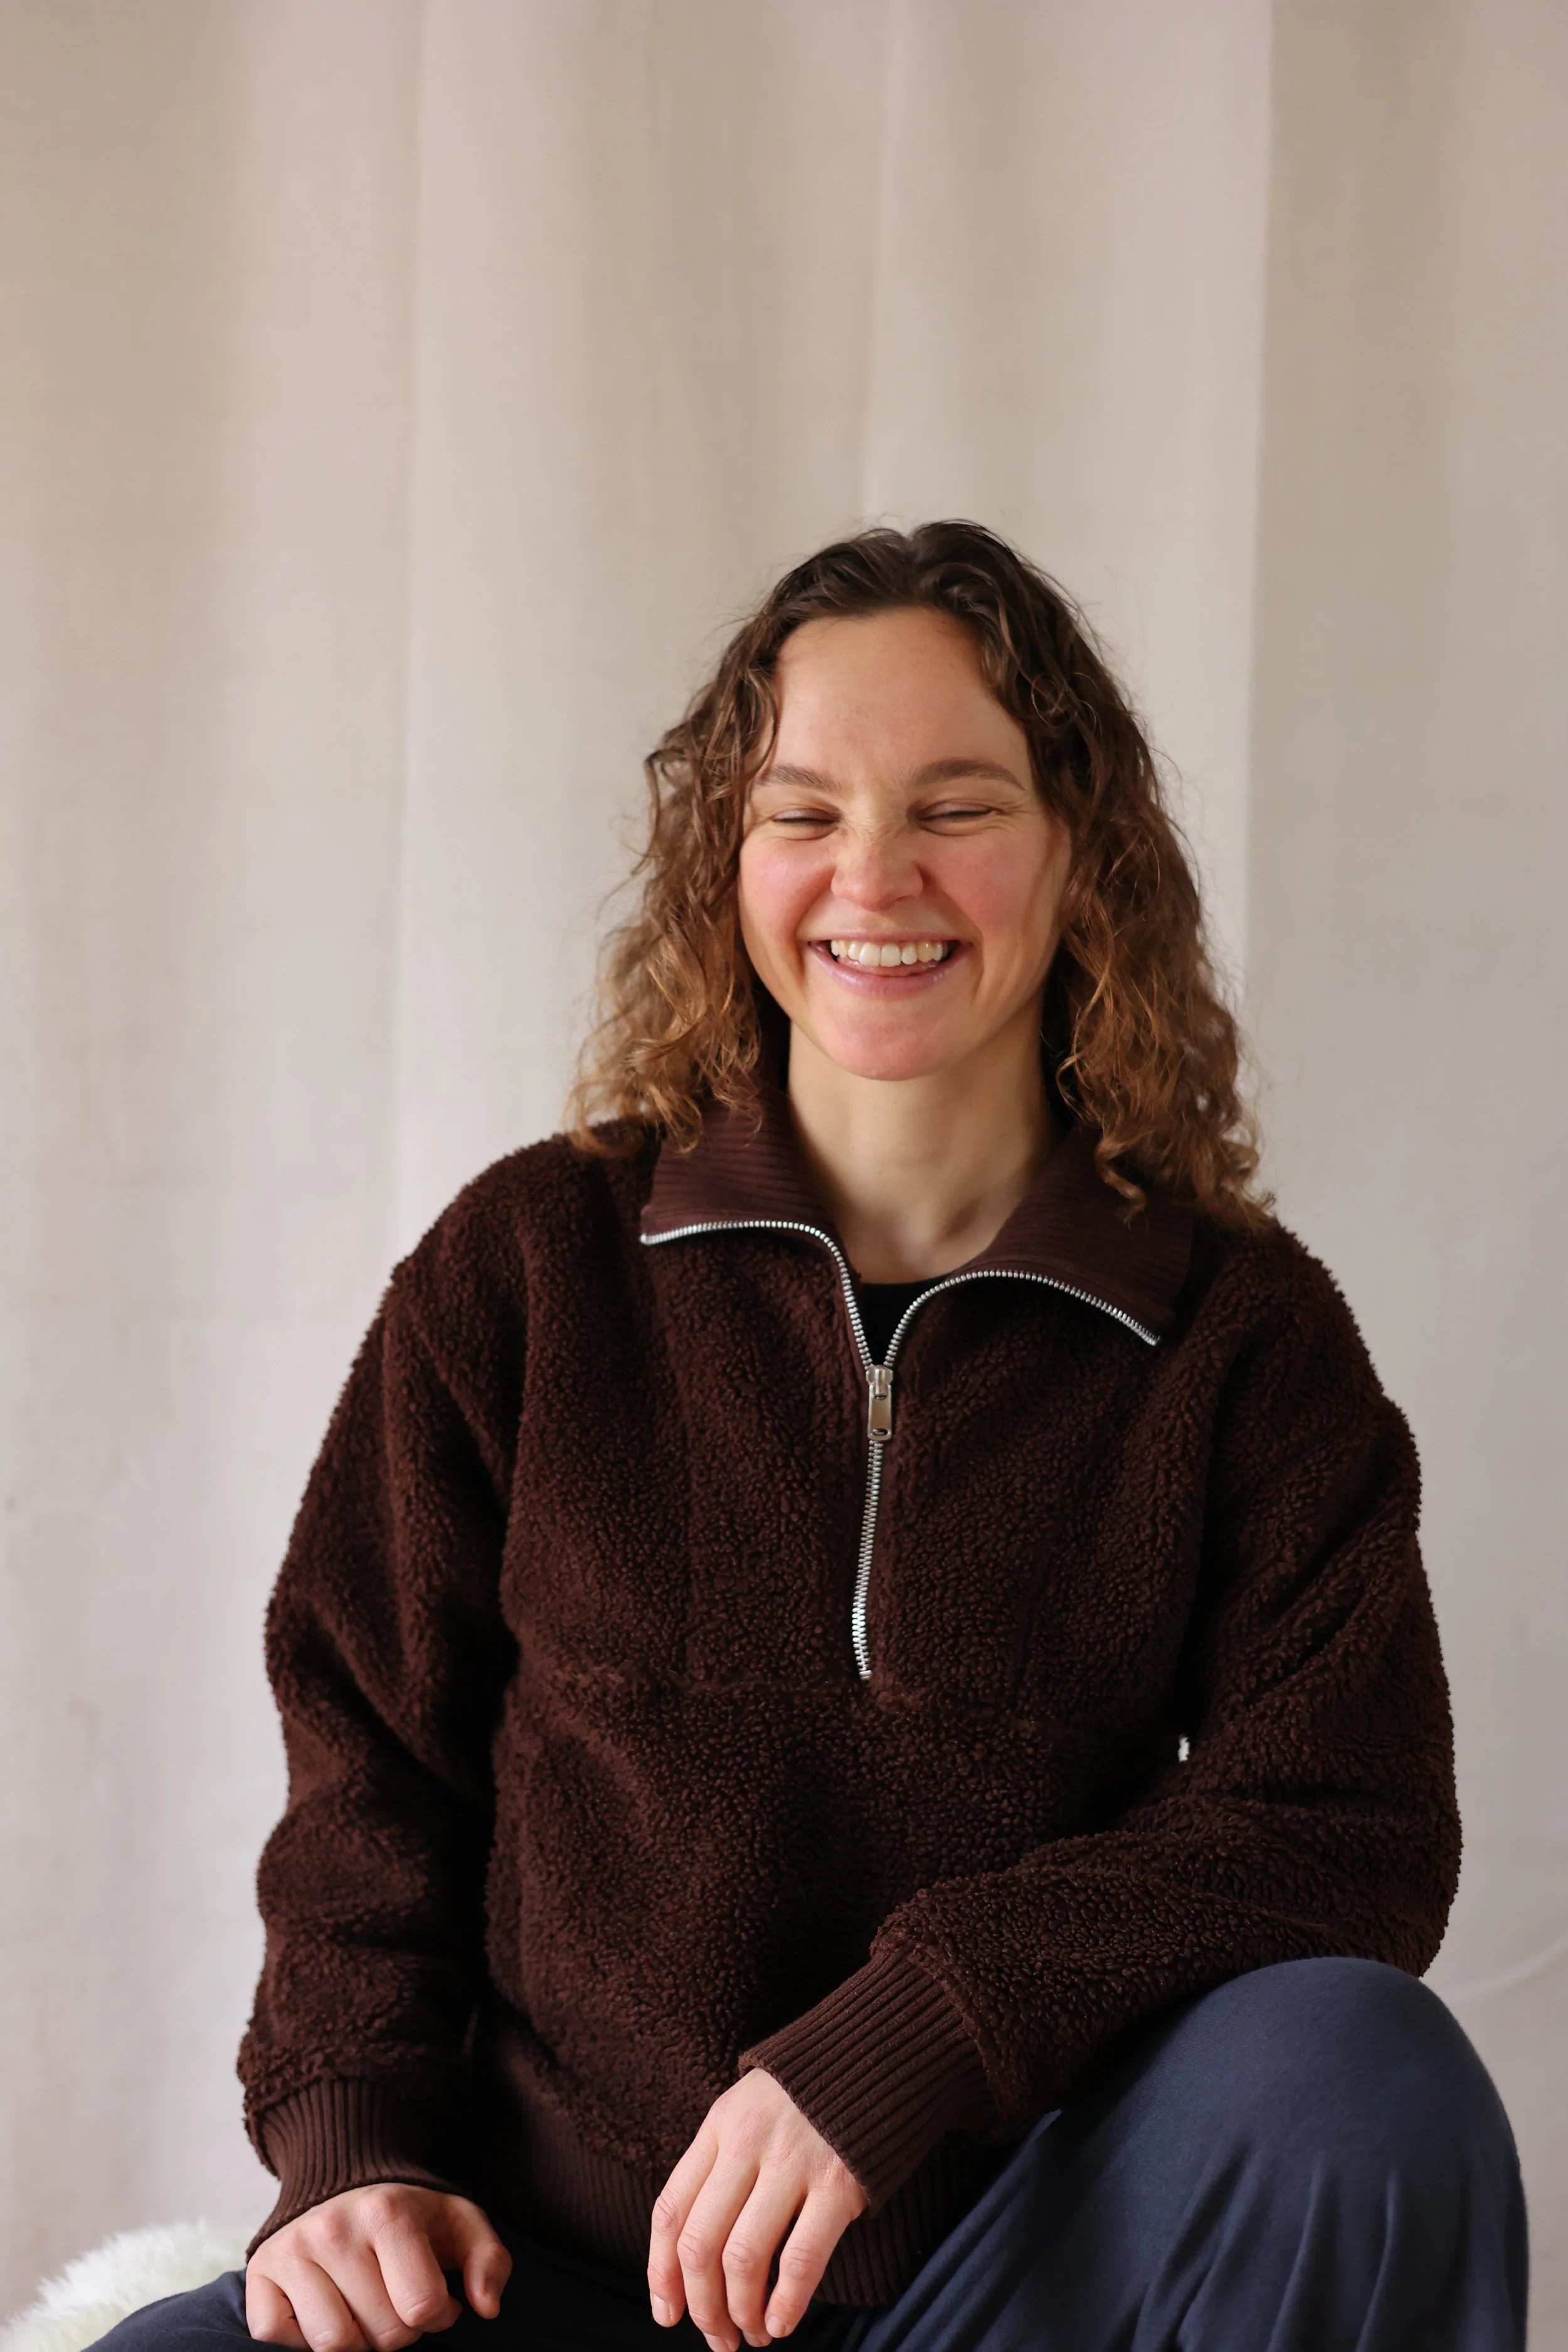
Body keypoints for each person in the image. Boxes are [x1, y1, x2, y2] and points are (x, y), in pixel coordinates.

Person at [95, 524, 1527, 2352]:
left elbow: (1343, 1820)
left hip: (1024, 2278)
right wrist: (353, 2142)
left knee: (1360, 2068)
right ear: (729, 857)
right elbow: (368, 1759)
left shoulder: (1238, 1337)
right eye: (803, 813)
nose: (875, 874)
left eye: (956, 805)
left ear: (1080, 848)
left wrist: (923, 2027)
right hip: (570, 2284)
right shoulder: (528, 1267)